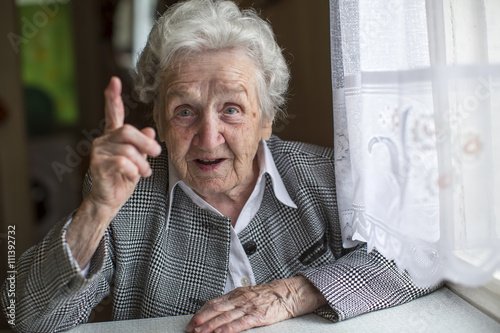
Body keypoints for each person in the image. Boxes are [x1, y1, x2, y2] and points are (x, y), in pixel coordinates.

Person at [1, 1, 439, 332]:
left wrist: (296, 292)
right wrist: (95, 209)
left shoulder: (329, 178)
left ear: (266, 118)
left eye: (231, 109)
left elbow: (427, 252)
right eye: (184, 111)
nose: (209, 138)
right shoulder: (125, 204)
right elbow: (23, 314)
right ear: (157, 120)